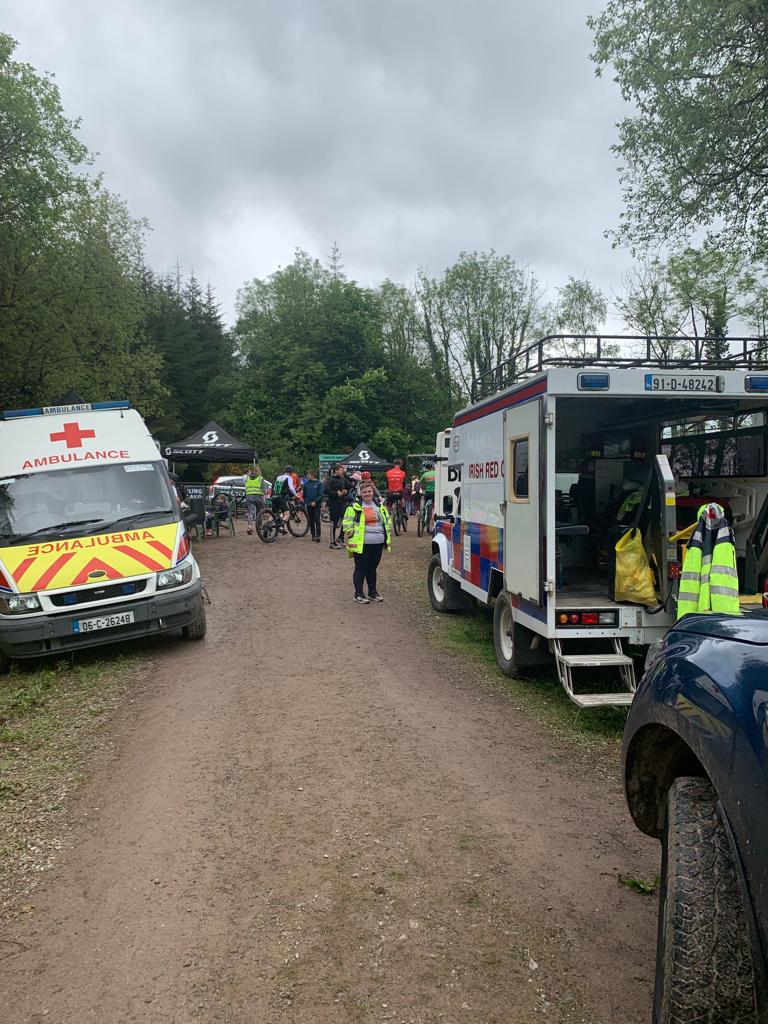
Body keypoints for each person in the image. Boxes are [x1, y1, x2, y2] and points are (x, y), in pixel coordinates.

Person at [342, 479, 392, 603]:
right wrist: (349, 532)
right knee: (361, 568)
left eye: (369, 491)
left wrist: (388, 532)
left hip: (378, 543)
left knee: (372, 568)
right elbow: (347, 521)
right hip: (362, 543)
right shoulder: (355, 507)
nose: (367, 494)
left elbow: (387, 520)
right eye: (364, 492)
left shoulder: (380, 506)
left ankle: (372, 592)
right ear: (360, 493)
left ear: (373, 492)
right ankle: (358, 593)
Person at [328, 464, 352, 548]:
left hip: (342, 502)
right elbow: (326, 490)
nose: (343, 472)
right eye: (341, 470)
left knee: (346, 520)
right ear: (336, 470)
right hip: (333, 503)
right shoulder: (330, 479)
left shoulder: (343, 479)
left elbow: (350, 486)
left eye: (343, 470)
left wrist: (346, 491)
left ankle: (341, 537)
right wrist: (336, 494)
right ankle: (332, 542)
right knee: (333, 523)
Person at [271, 465, 299, 531]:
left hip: (274, 496)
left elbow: (275, 488)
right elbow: (291, 488)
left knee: (275, 514)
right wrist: (296, 495)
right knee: (287, 513)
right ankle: (281, 526)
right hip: (280, 497)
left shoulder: (278, 477)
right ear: (291, 472)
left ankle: (268, 525)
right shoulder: (289, 478)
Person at [302, 468, 324, 543]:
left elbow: (321, 494)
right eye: (307, 475)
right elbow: (304, 494)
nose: (307, 477)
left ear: (312, 475)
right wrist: (306, 502)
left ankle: (318, 535)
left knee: (317, 519)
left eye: (308, 475)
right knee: (311, 520)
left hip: (317, 505)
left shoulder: (319, 483)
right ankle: (313, 535)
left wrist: (315, 501)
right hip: (309, 504)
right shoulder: (305, 484)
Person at [244, 464, 266, 536]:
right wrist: (264, 497)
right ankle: (259, 527)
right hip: (259, 497)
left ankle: (249, 527)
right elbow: (263, 490)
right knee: (259, 512)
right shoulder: (260, 478)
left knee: (251, 512)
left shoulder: (247, 478)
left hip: (249, 496)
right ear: (258, 472)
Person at [420, 461, 436, 531]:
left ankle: (423, 515)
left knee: (424, 504)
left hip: (428, 493)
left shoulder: (425, 474)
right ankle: (432, 524)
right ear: (432, 467)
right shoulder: (436, 473)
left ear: (426, 468)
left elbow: (419, 483)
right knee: (434, 508)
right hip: (435, 493)